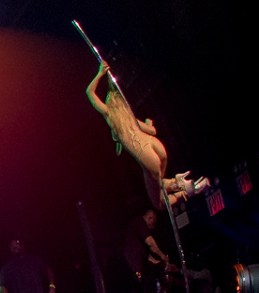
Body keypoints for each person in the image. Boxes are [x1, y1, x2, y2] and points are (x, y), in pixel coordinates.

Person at [86, 62, 207, 210]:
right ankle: (183, 184)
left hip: (146, 155)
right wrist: (148, 123)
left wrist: (100, 73)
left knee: (159, 203)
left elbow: (90, 92)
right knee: (159, 183)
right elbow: (153, 131)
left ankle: (184, 189)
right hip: (156, 145)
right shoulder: (131, 118)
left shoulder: (110, 115)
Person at [122, 208, 175, 293]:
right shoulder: (139, 221)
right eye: (153, 223)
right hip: (133, 269)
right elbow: (150, 243)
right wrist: (163, 256)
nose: (153, 227)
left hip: (136, 268)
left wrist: (161, 262)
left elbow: (149, 258)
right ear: (150, 217)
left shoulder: (136, 238)